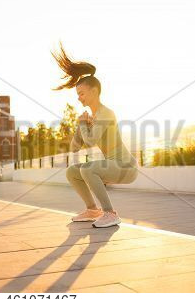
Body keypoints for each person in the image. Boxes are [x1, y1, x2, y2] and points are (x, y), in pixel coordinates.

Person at [52, 44, 138, 228]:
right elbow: (75, 147)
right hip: (112, 165)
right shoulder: (93, 117)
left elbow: (90, 141)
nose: (79, 98)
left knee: (88, 169)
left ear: (94, 91)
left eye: (81, 93)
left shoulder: (106, 113)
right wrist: (79, 125)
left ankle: (110, 213)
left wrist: (84, 125)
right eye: (78, 94)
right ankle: (92, 210)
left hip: (126, 166)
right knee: (72, 171)